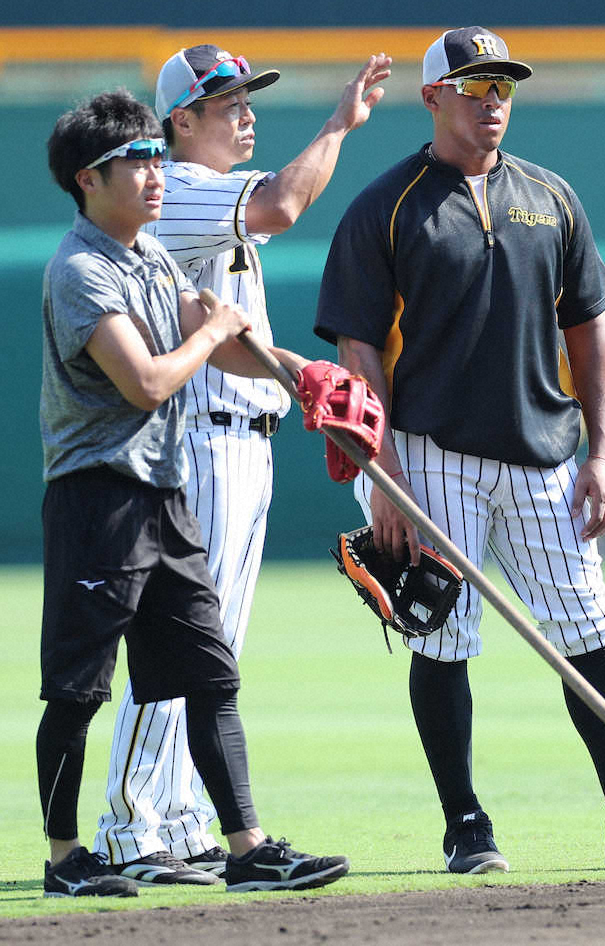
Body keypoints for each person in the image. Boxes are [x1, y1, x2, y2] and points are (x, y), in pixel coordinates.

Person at [314, 26, 605, 874]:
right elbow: (356, 352)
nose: (492, 100)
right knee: (443, 634)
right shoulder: (387, 204)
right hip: (431, 452)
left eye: (502, 85)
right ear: (433, 98)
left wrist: (602, 455)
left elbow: (591, 331)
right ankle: (466, 823)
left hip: (545, 453)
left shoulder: (551, 197)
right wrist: (379, 471)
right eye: (473, 86)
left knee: (589, 629)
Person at [38, 89, 351, 897]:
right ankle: (69, 857)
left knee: (210, 673)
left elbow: (224, 343)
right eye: (133, 162)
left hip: (164, 491)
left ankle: (245, 848)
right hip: (99, 496)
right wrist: (212, 332)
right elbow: (147, 381)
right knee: (80, 690)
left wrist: (298, 373)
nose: (152, 174)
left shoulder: (151, 256)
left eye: (152, 156)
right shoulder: (79, 269)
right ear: (87, 180)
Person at [92, 46, 392, 884]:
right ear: (180, 121)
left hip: (241, 440)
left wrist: (299, 375)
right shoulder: (181, 190)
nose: (247, 112)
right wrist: (340, 123)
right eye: (227, 102)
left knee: (215, 649)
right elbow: (285, 205)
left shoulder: (202, 198)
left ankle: (185, 820)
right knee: (188, 641)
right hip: (200, 442)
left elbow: (236, 340)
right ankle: (132, 829)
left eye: (249, 96)